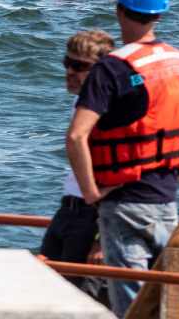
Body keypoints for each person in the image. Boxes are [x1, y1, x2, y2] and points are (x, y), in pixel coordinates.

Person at [66, 0, 179, 316]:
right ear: (159, 13)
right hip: (166, 201)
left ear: (118, 8)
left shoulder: (113, 67)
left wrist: (90, 193)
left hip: (124, 205)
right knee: (163, 303)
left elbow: (76, 135)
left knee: (131, 310)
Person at [41, 29, 115, 305]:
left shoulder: (109, 110)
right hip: (68, 210)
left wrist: (100, 237)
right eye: (66, 63)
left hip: (90, 218)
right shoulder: (81, 103)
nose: (69, 72)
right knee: (47, 292)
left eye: (79, 66)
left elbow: (120, 176)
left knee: (82, 301)